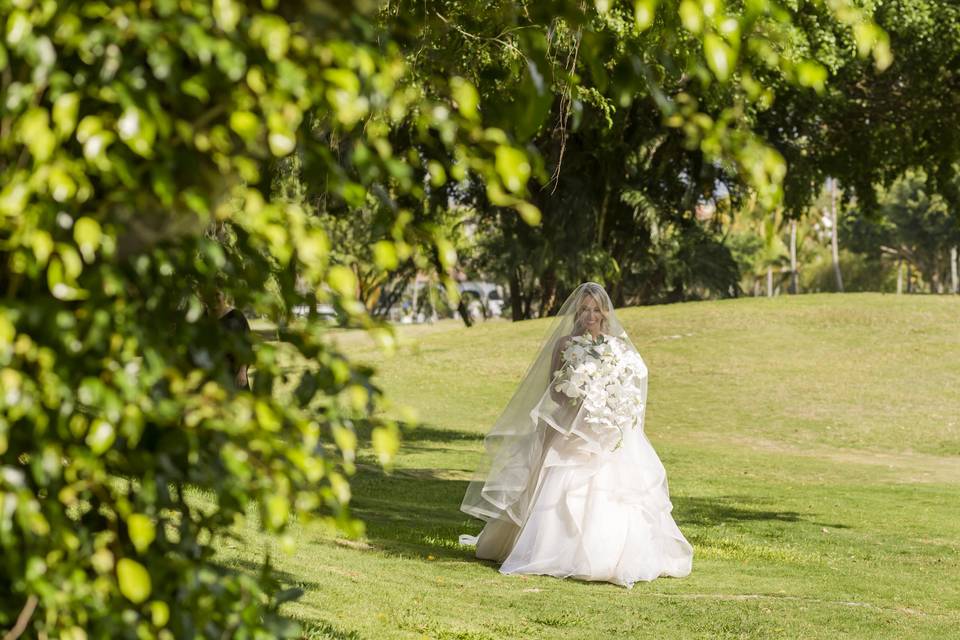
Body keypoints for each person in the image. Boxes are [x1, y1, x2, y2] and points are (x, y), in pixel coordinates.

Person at [459, 282, 693, 587]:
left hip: (606, 432)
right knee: (560, 482)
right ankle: (551, 551)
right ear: (577, 312)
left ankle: (607, 554)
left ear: (604, 313)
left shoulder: (617, 348)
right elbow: (553, 392)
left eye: (596, 309)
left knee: (613, 490)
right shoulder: (565, 344)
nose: (590, 315)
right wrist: (577, 396)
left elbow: (628, 388)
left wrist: (609, 405)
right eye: (584, 309)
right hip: (573, 431)